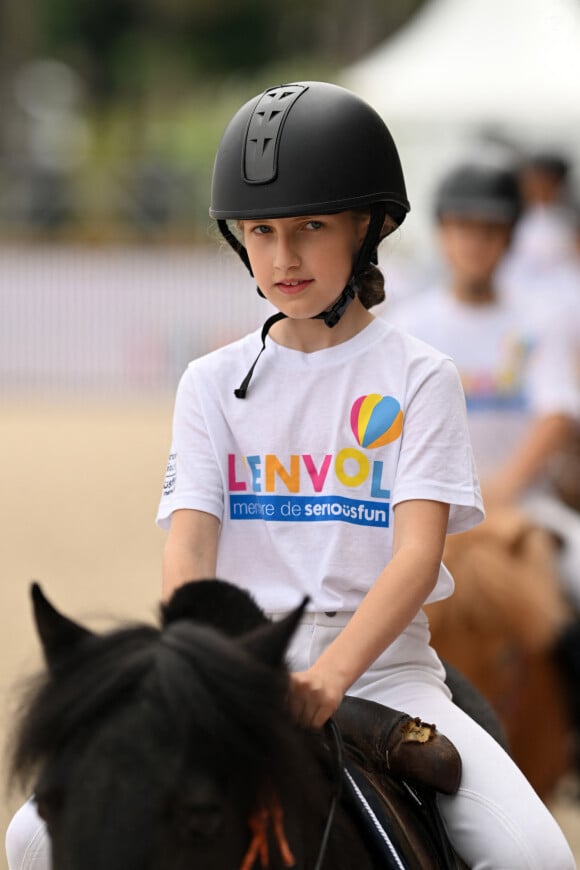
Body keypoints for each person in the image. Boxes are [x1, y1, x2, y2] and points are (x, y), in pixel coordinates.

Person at [6, 82, 575, 870]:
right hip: (234, 676)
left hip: (385, 675)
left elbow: (416, 557)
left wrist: (331, 677)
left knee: (538, 858)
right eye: (262, 231)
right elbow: (189, 550)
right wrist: (199, 672)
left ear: (367, 228)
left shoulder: (420, 376)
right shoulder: (209, 382)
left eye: (311, 226)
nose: (284, 256)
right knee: (29, 839)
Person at [389, 159, 580, 608]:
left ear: (509, 238)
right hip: (428, 511)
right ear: (443, 234)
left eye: (489, 230)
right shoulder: (409, 325)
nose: (475, 243)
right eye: (463, 228)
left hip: (523, 509)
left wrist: (504, 487)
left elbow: (556, 413)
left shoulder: (538, 318)